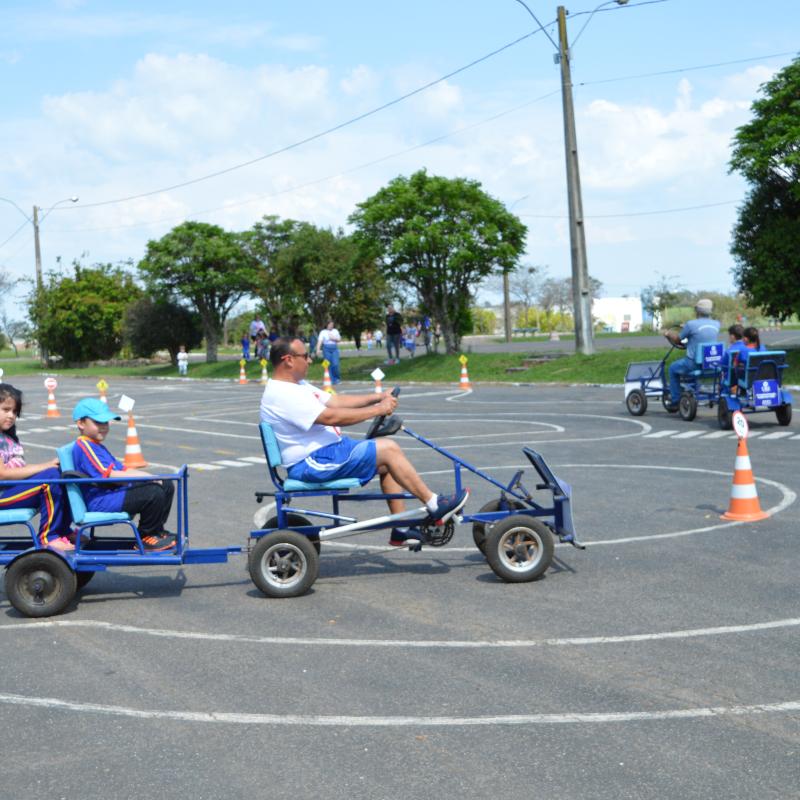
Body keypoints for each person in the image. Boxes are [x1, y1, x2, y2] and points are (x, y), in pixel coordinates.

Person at [260, 337, 469, 546]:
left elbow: (336, 401)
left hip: (328, 453)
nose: (310, 360)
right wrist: (379, 409)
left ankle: (401, 530)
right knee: (389, 450)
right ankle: (435, 504)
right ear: (288, 360)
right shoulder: (282, 394)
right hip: (312, 462)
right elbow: (331, 417)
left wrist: (378, 397)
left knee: (389, 462)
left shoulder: (297, 385)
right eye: (305, 356)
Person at [70, 398, 176, 552]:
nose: (104, 427)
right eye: (98, 422)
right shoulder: (84, 446)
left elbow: (124, 470)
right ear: (81, 423)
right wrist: (147, 481)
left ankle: (157, 531)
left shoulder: (96, 446)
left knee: (165, 484)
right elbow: (109, 475)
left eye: (106, 422)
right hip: (101, 500)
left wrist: (151, 477)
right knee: (153, 492)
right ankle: (147, 537)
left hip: (110, 493)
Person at [0, 383, 74, 551]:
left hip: (10, 490)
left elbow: (20, 470)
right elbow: (2, 474)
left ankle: (63, 530)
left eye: (14, 411)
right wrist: (45, 466)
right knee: (50, 479)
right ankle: (49, 537)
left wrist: (49, 466)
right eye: (6, 410)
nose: (11, 415)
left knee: (59, 474)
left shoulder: (8, 438)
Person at [663, 298, 721, 409]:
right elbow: (702, 333)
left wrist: (668, 334)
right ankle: (690, 389)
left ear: (697, 310)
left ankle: (675, 400)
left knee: (672, 369)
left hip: (693, 364)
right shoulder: (716, 324)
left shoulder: (690, 325)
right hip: (711, 364)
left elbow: (677, 340)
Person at [316, 320, 342, 385]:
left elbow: (339, 339)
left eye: (332, 325)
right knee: (327, 364)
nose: (331, 326)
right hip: (326, 348)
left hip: (334, 348)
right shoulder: (323, 332)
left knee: (335, 364)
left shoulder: (335, 331)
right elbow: (320, 341)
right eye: (330, 324)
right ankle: (329, 378)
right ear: (327, 325)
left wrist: (334, 338)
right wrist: (318, 349)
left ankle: (337, 379)